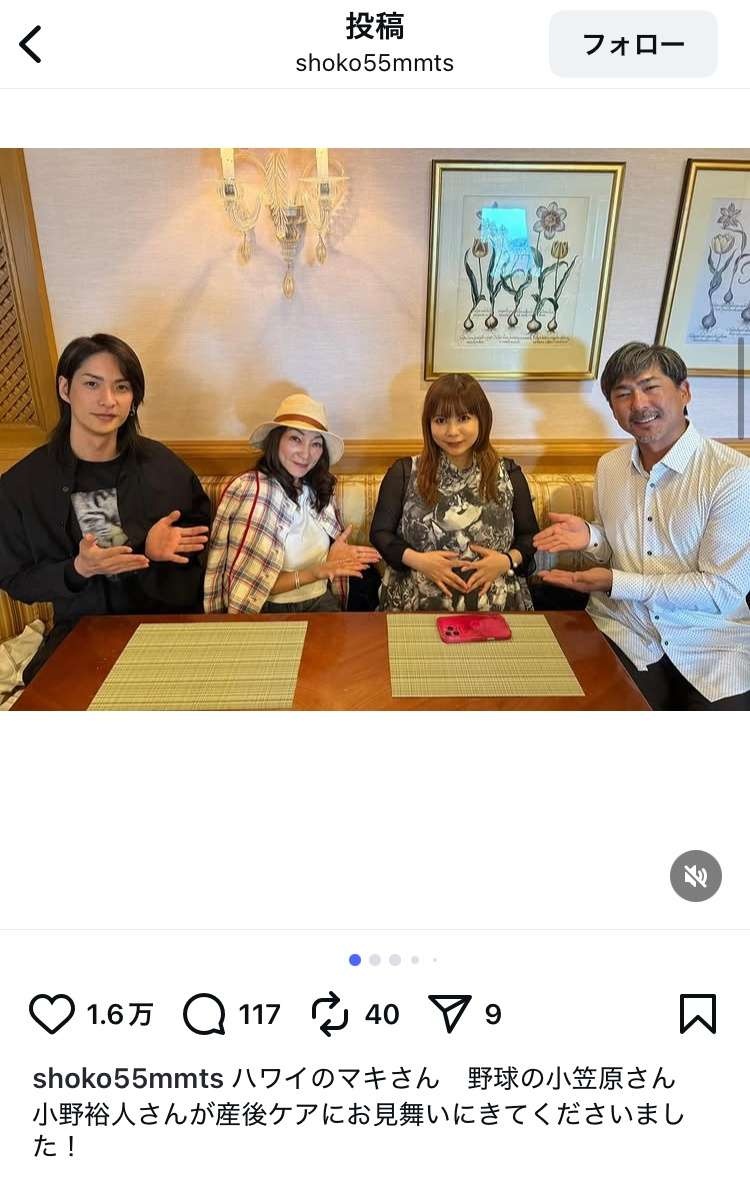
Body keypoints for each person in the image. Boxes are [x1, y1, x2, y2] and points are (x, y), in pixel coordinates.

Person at [533, 341, 750, 710]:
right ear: (613, 408)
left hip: (712, 643)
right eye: (623, 394)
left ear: (684, 392)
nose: (638, 404)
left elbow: (722, 591)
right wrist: (591, 537)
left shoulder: (732, 476)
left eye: (650, 387)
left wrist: (616, 582)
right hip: (625, 629)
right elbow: (619, 547)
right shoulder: (610, 466)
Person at [0, 333, 210, 683]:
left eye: (121, 387)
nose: (108, 400)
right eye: (92, 384)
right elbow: (15, 580)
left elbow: (201, 540)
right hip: (82, 631)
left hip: (163, 622)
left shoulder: (162, 466)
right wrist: (77, 569)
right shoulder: (24, 484)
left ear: (133, 399)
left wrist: (160, 550)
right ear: (65, 389)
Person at [370, 373, 537, 612]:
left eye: (463, 418)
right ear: (429, 424)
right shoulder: (404, 472)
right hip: (416, 604)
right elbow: (380, 534)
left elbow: (529, 537)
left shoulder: (508, 473)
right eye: (440, 420)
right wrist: (421, 562)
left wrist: (505, 561)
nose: (452, 431)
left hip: (494, 604)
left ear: (482, 419)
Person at [203, 394, 380, 614]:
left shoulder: (317, 489)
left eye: (316, 444)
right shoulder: (253, 490)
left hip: (321, 599)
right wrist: (314, 573)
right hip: (269, 608)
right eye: (296, 439)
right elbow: (247, 587)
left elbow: (323, 567)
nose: (306, 454)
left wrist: (331, 557)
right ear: (276, 441)